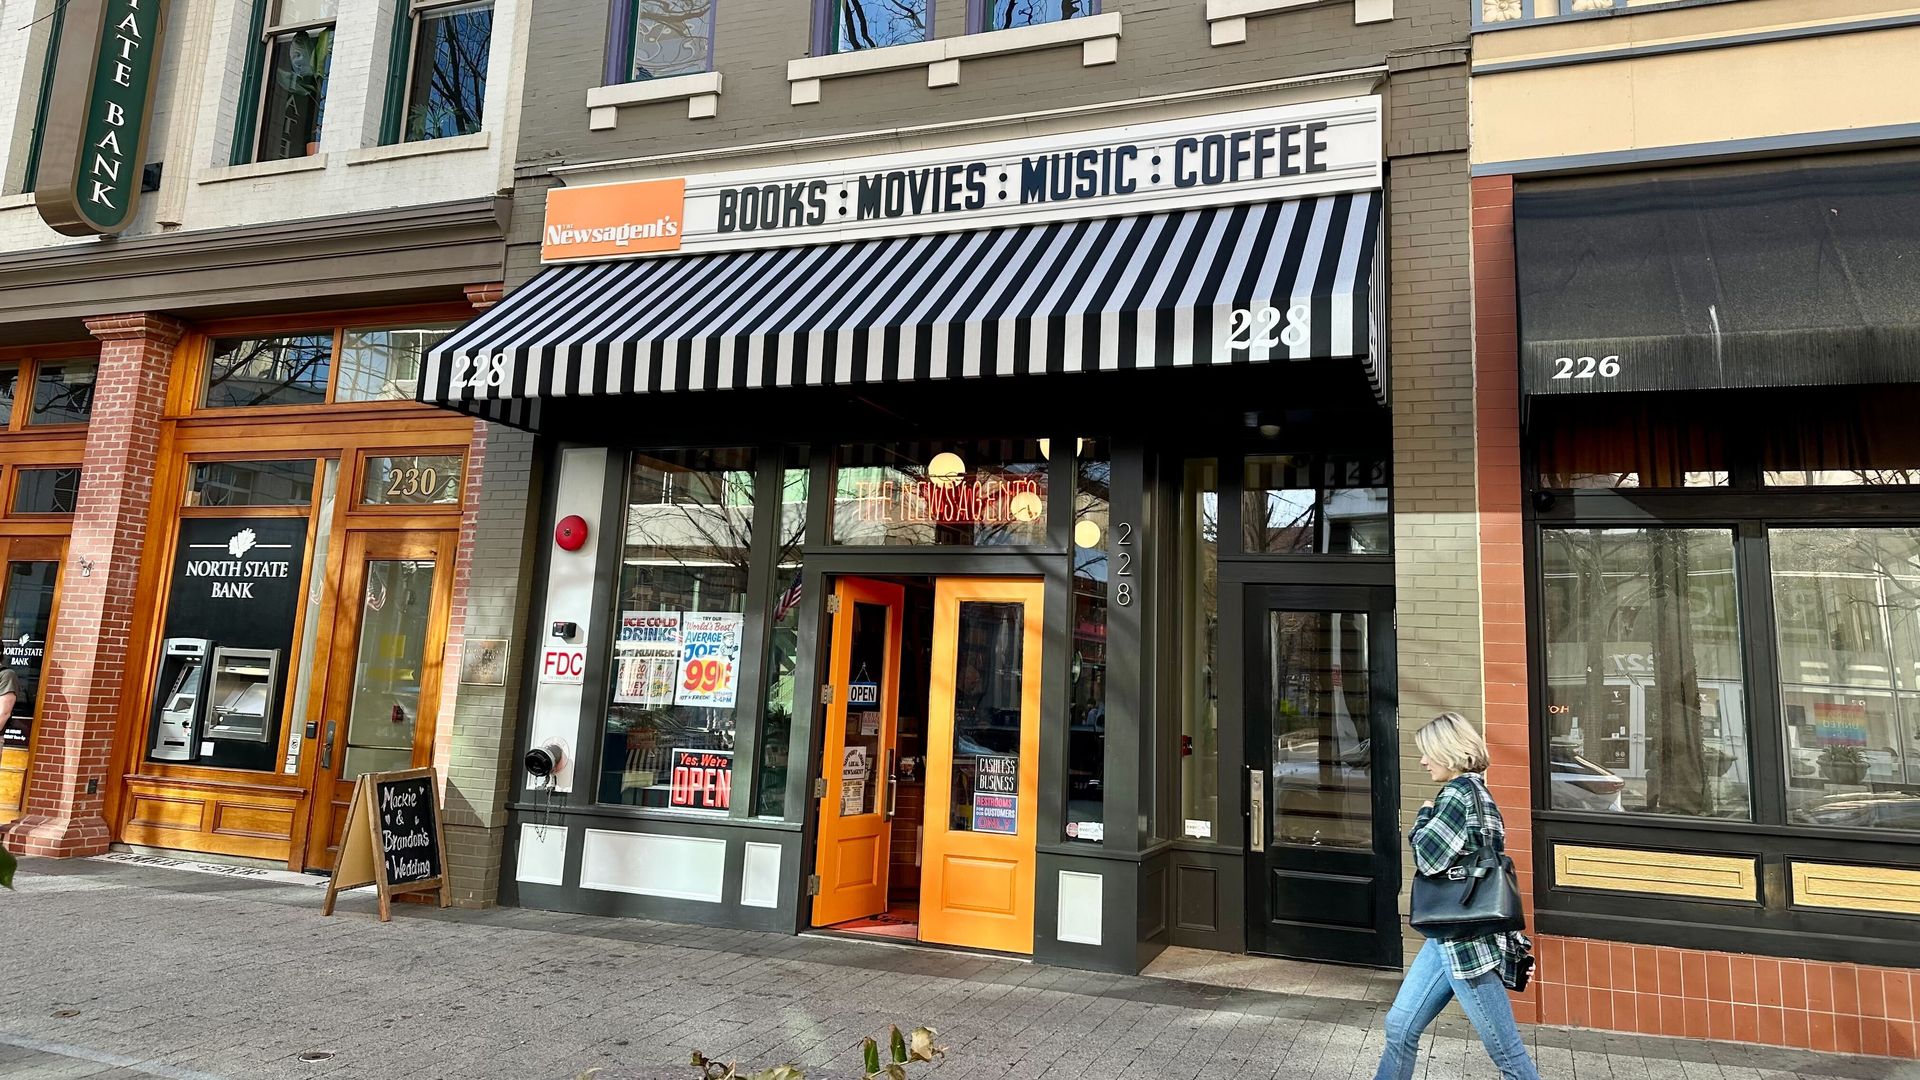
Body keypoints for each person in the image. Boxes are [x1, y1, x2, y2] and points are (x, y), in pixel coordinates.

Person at [1375, 711, 1540, 1080]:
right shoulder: (1480, 793)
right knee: (1400, 1027)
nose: (1422, 761)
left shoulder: (1456, 794)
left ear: (1447, 752)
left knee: (1509, 1057)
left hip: (1469, 946)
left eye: (1427, 752)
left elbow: (1428, 857)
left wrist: (1421, 818)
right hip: (1449, 936)